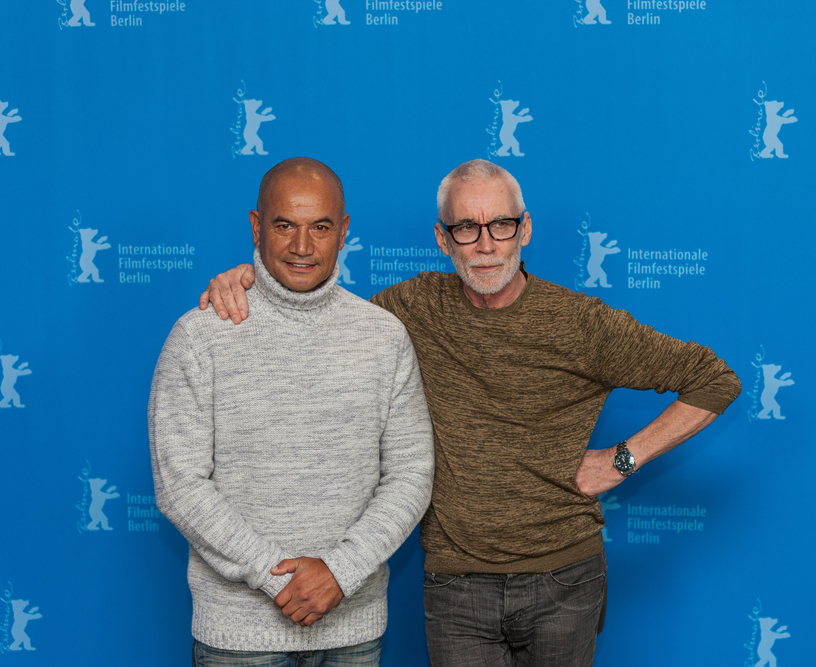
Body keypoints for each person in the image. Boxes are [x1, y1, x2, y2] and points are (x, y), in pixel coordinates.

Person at [200, 159, 741, 667]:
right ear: (443, 239)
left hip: (564, 578)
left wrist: (622, 460)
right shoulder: (408, 310)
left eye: (501, 225)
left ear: (524, 230)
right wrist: (250, 281)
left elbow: (715, 380)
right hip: (456, 587)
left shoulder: (580, 323)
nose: (485, 245)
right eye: (466, 228)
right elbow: (320, 312)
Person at [150, 158, 434, 666]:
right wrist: (275, 576)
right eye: (285, 225)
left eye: (320, 227)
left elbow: (412, 473)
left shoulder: (384, 336)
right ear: (256, 226)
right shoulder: (200, 335)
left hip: (351, 634)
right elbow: (180, 484)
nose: (302, 246)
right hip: (238, 640)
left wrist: (340, 571)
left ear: (343, 231)